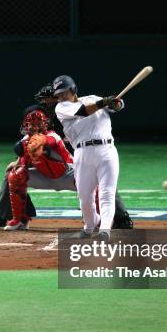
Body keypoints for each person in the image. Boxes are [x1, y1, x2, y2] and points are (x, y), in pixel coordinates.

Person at [0, 84, 133, 229]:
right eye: (44, 100)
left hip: (75, 159)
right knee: (13, 174)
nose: (45, 103)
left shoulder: (74, 109)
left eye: (49, 99)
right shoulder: (39, 116)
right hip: (47, 161)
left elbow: (94, 109)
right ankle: (3, 216)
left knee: (101, 177)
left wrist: (114, 103)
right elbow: (28, 141)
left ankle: (119, 217)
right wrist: (20, 160)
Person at [53, 75, 124, 240]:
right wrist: (104, 102)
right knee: (85, 196)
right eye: (59, 94)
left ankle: (105, 229)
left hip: (107, 150)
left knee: (107, 192)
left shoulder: (93, 98)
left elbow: (118, 106)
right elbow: (83, 111)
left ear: (73, 89)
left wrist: (116, 102)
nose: (61, 96)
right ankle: (90, 225)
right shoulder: (61, 108)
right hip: (83, 153)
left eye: (64, 92)